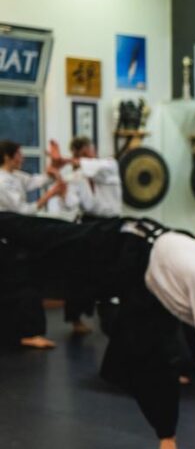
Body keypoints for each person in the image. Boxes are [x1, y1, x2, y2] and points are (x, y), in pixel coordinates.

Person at [0, 214, 195, 449]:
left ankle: (167, 440)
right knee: (49, 240)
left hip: (148, 280)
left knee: (158, 358)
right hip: (124, 245)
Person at [47, 137, 123, 334]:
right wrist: (61, 186)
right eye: (80, 154)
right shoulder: (77, 177)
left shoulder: (109, 165)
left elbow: (94, 166)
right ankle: (75, 319)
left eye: (87, 152)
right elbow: (71, 204)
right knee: (80, 272)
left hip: (111, 223)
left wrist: (64, 161)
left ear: (92, 150)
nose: (85, 156)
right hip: (89, 225)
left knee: (112, 270)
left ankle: (112, 313)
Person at [0, 140, 65, 349]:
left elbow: (35, 182)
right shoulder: (1, 181)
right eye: (19, 154)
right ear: (8, 157)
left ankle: (26, 333)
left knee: (28, 283)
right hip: (6, 239)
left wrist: (55, 166)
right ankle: (25, 334)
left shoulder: (16, 176)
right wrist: (48, 196)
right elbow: (21, 210)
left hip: (16, 237)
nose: (23, 157)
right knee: (19, 286)